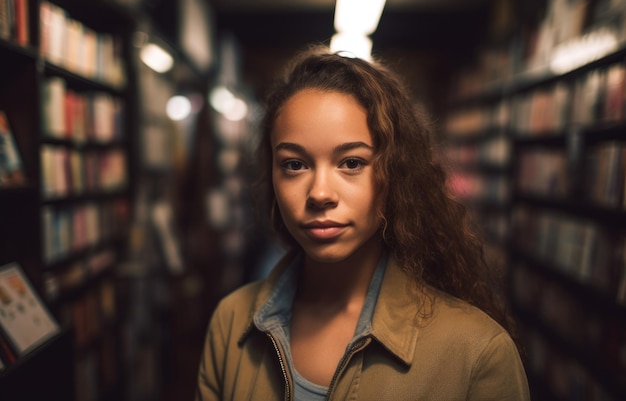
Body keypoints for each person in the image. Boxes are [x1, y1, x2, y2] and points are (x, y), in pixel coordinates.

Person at [195, 45, 530, 401]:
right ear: (271, 175)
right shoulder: (231, 323)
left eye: (352, 163)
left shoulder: (478, 352)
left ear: (393, 172)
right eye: (294, 164)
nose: (320, 192)